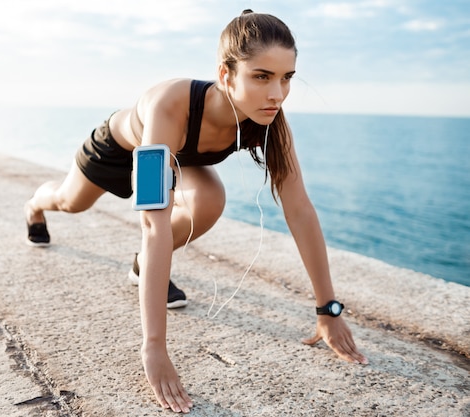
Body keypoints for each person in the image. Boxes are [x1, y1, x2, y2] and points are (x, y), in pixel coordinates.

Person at [24, 10, 368, 414]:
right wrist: (154, 348)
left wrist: (327, 310)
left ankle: (142, 269)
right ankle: (34, 205)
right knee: (70, 202)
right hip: (116, 150)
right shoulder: (170, 105)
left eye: (287, 77)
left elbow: (300, 210)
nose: (277, 93)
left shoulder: (269, 119)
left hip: (182, 158)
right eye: (262, 76)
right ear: (226, 74)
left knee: (209, 199)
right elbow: (153, 227)